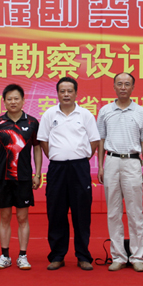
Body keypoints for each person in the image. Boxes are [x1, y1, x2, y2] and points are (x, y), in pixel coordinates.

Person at [37, 77, 100, 271]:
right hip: (57, 169)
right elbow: (43, 140)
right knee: (56, 212)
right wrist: (56, 155)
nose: (66, 94)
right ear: (57, 93)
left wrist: (81, 157)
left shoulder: (85, 114)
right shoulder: (49, 114)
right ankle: (57, 256)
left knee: (82, 213)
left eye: (69, 91)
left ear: (76, 93)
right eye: (62, 91)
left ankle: (83, 256)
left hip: (80, 168)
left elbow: (94, 140)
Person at [97, 73, 143, 272]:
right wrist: (100, 166)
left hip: (132, 163)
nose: (123, 87)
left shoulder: (141, 112)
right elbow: (101, 140)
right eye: (119, 84)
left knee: (134, 211)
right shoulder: (105, 111)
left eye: (127, 84)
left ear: (132, 87)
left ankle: (137, 256)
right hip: (111, 161)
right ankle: (118, 256)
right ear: (114, 86)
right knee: (113, 212)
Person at [0, 84, 42, 270]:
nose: (13, 102)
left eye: (16, 98)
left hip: (23, 178)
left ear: (23, 100)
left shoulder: (32, 122)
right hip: (2, 178)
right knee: (4, 217)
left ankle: (23, 256)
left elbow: (37, 149)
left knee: (22, 217)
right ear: (4, 101)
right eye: (9, 99)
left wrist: (37, 173)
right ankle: (4, 256)